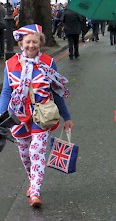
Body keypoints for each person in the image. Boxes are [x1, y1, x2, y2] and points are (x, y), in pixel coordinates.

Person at [0, 24, 74, 207]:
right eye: (28, 42)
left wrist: (67, 116)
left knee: (37, 151)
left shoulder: (49, 62)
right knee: (25, 152)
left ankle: (35, 191)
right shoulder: (10, 65)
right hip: (18, 114)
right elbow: (6, 92)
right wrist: (1, 115)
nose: (31, 45)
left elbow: (56, 91)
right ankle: (32, 179)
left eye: (35, 42)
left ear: (40, 43)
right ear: (21, 43)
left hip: (43, 114)